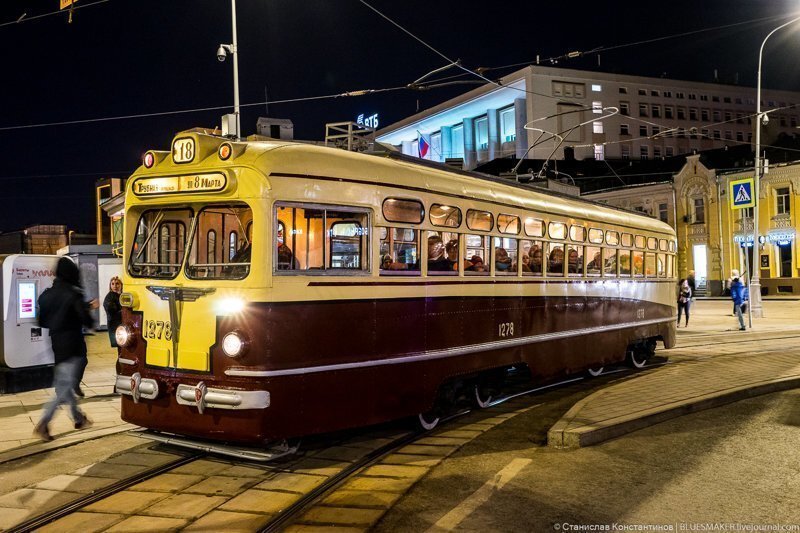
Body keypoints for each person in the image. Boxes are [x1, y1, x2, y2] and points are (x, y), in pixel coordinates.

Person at [34, 257, 99, 441]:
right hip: (73, 347)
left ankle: (79, 419)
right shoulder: (73, 293)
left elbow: (41, 321)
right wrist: (88, 317)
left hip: (56, 344)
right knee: (63, 388)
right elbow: (87, 320)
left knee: (64, 384)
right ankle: (44, 423)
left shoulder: (47, 295)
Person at [103, 276, 123, 349]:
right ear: (110, 285)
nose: (115, 286)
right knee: (120, 345)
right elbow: (111, 310)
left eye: (117, 284)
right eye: (113, 284)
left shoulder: (120, 295)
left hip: (120, 324)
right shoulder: (110, 296)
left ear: (121, 285)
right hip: (114, 324)